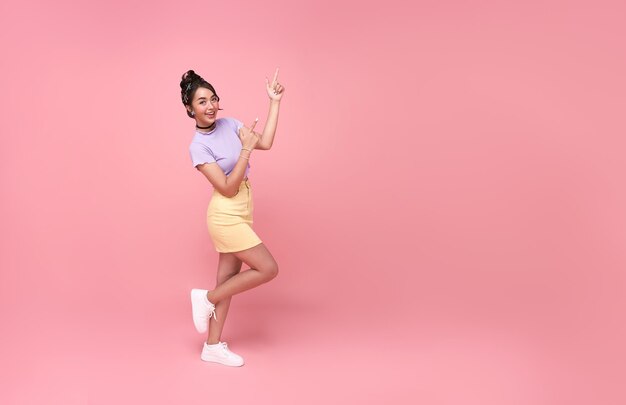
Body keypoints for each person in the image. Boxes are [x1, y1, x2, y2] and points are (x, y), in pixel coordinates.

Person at [181, 68, 284, 367]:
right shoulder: (198, 147)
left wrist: (274, 102)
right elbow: (227, 188)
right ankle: (208, 297)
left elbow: (264, 142)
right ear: (190, 108)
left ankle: (212, 346)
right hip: (225, 214)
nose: (210, 106)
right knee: (268, 268)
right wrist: (245, 152)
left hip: (243, 208)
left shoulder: (230, 124)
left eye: (213, 99)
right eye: (202, 102)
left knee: (228, 279)